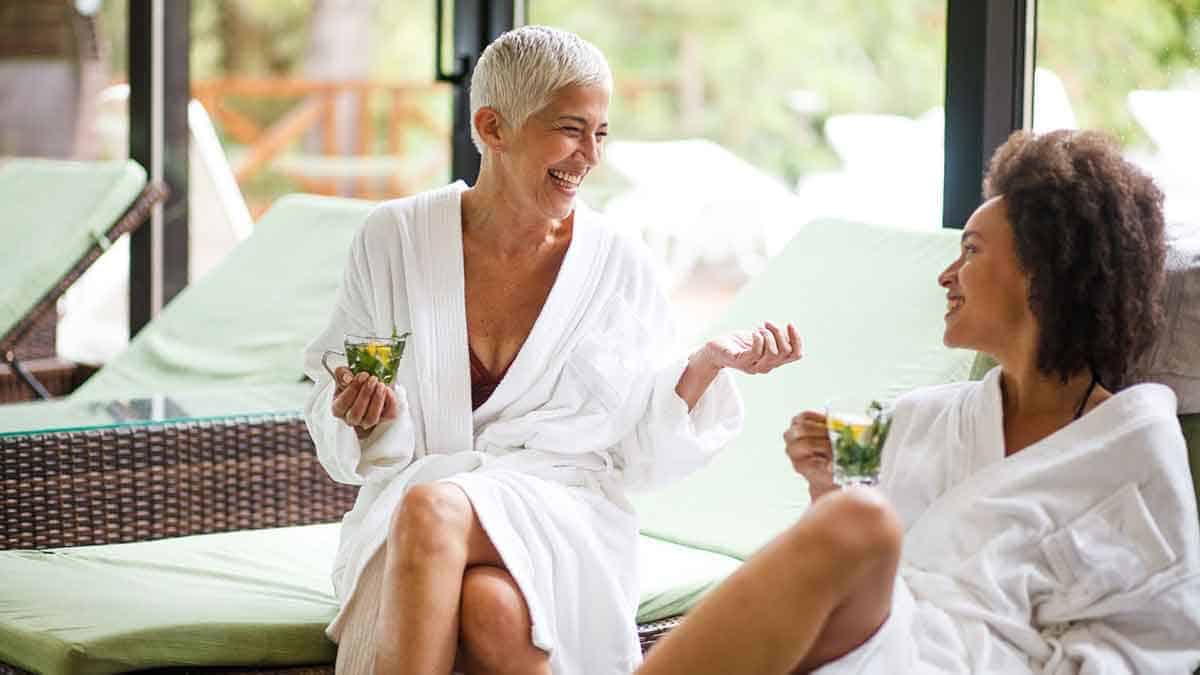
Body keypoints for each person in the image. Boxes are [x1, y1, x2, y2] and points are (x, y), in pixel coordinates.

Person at [303, 25, 801, 675]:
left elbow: (637, 453)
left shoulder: (617, 262)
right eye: (571, 129)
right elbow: (336, 389)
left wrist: (706, 364)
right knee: (491, 608)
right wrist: (364, 415)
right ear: (492, 127)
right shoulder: (393, 239)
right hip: (412, 516)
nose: (589, 156)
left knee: (431, 508)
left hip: (564, 509)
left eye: (601, 133)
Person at [637, 129, 1200, 674]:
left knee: (858, 520)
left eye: (970, 251)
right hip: (881, 647)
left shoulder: (1131, 447)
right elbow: (841, 586)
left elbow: (1146, 642)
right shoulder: (922, 418)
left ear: (1044, 273)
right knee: (854, 518)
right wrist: (824, 488)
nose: (945, 276)